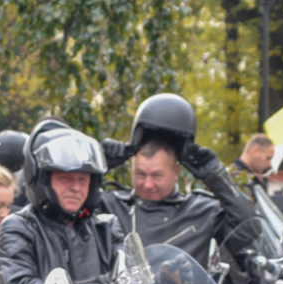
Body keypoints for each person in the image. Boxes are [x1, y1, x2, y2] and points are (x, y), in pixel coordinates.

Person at [0, 119, 123, 284]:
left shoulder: (105, 229)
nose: (75, 187)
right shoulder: (18, 227)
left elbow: (128, 281)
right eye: (65, 178)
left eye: (82, 179)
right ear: (42, 180)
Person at [98, 94, 256, 267]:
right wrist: (97, 166)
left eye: (157, 175)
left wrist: (218, 177)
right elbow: (70, 213)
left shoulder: (202, 211)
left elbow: (249, 230)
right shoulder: (110, 205)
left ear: (176, 172)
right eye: (140, 174)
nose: (148, 184)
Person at [231, 134, 275, 198]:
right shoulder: (234, 176)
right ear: (255, 151)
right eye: (268, 158)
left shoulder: (251, 177)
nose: (269, 164)